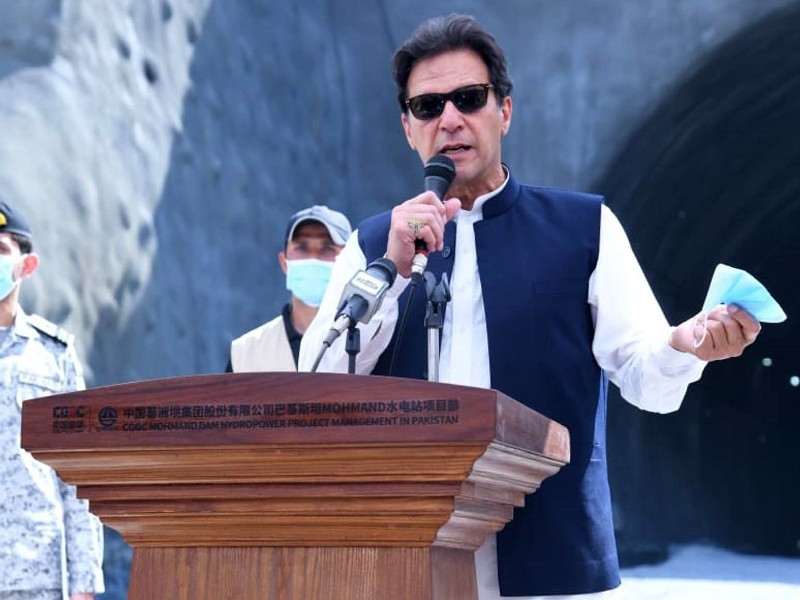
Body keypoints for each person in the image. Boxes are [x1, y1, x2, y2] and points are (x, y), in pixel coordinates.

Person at [298, 14, 761, 600]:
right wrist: (388, 272)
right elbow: (315, 384)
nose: (450, 119)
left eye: (469, 98)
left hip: (550, 562)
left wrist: (685, 345)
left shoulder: (583, 227)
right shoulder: (374, 244)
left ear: (505, 112)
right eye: (428, 106)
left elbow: (646, 378)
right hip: (404, 560)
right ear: (407, 129)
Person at [0, 201, 104, 600]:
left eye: (0, 249)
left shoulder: (53, 354)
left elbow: (77, 474)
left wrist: (84, 585)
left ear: (27, 265)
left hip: (35, 575)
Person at [227, 205, 352, 372]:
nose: (313, 258)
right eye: (301, 248)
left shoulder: (364, 342)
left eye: (327, 248)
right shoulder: (246, 352)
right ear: (284, 263)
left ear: (350, 262)